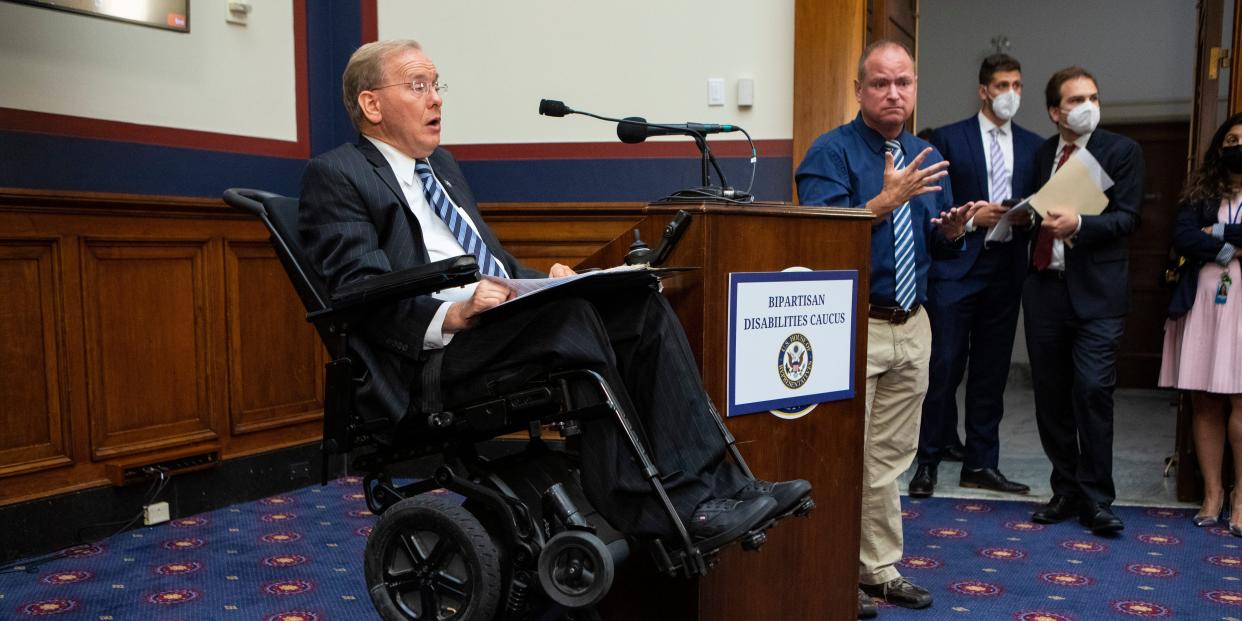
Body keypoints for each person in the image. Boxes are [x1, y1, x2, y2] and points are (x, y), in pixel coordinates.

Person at [298, 39, 809, 544]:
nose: (436, 98)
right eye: (418, 86)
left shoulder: (443, 169)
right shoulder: (338, 174)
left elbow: (491, 263)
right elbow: (358, 290)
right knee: (571, 322)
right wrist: (449, 315)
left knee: (640, 304)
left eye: (436, 85)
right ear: (371, 103)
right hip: (430, 361)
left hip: (491, 329)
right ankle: (649, 503)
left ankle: (723, 487)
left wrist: (545, 280)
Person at [796, 40, 976, 615]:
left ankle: (877, 566)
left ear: (916, 87)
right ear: (859, 90)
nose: (893, 92)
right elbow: (818, 241)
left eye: (903, 82)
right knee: (842, 454)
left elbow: (936, 256)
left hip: (912, 324)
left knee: (891, 458)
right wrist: (883, 201)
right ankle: (829, 569)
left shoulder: (926, 155)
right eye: (880, 83)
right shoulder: (831, 153)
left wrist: (951, 234)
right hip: (853, 326)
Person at [909, 54, 1043, 499]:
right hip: (956, 268)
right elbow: (933, 209)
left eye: (1018, 86)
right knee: (943, 366)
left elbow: (1043, 203)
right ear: (984, 90)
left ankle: (981, 464)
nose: (1011, 94)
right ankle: (926, 461)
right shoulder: (949, 138)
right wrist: (972, 219)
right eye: (1003, 85)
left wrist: (1028, 218)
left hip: (1006, 270)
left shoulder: (1033, 144)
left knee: (992, 371)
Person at [1024, 67, 1143, 536]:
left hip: (1098, 295)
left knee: (1092, 391)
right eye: (1076, 99)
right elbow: (1035, 212)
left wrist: (1081, 225)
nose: (1087, 106)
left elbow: (1130, 219)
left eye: (1093, 96)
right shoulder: (1039, 154)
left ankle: (1097, 499)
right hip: (1044, 290)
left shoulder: (1121, 151)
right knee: (1050, 397)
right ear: (1055, 111)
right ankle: (1066, 489)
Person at [1158, 112, 1242, 534]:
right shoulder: (1201, 191)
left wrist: (1219, 232)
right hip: (1205, 300)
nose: (1238, 145)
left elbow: (1205, 237)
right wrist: (1230, 248)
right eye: (1232, 138)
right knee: (1205, 400)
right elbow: (1184, 236)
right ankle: (1213, 493)